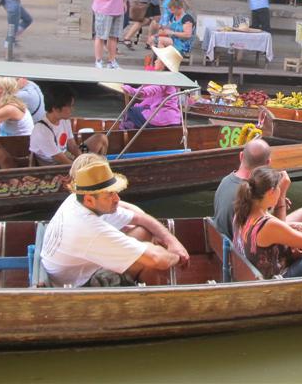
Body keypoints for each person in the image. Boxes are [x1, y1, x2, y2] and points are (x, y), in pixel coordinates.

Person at [40, 155, 189, 287]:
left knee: (143, 232)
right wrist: (177, 257)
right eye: (110, 195)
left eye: (115, 192)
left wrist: (172, 242)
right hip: (78, 285)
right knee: (149, 263)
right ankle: (154, 304)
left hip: (77, 269)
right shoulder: (88, 228)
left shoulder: (78, 198)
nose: (117, 199)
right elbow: (157, 260)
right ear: (90, 200)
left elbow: (139, 218)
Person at [213, 138, 302, 239]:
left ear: (241, 156)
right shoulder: (251, 194)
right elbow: (279, 237)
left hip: (229, 243)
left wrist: (273, 202)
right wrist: (280, 197)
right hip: (248, 247)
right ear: (268, 163)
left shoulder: (226, 180)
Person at [29, 85, 108, 165]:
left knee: (101, 138)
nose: (72, 109)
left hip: (67, 155)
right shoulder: (42, 130)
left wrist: (82, 159)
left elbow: (72, 146)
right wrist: (82, 166)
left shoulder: (64, 120)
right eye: (70, 106)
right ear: (56, 109)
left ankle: (101, 165)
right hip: (55, 165)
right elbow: (60, 159)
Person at [119, 46, 183, 130]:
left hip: (162, 117)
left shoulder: (164, 79)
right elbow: (150, 95)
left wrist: (133, 91)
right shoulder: (171, 79)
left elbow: (151, 90)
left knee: (130, 112)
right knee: (136, 110)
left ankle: (124, 134)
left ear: (163, 64)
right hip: (174, 118)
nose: (155, 61)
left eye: (158, 60)